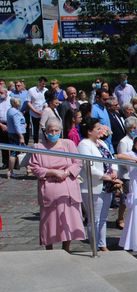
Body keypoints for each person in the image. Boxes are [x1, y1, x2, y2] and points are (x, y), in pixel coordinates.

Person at [28, 118, 85, 251]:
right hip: (49, 188)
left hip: (67, 187)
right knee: (49, 221)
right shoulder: (38, 147)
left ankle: (67, 248)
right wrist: (51, 172)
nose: (53, 133)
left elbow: (77, 162)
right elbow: (34, 167)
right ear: (45, 131)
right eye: (50, 130)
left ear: (60, 131)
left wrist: (66, 172)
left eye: (56, 130)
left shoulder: (68, 144)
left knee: (68, 220)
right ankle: (49, 249)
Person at [77, 117, 122, 251]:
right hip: (94, 185)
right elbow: (88, 166)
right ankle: (94, 245)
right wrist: (105, 176)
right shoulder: (84, 144)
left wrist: (114, 171)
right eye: (97, 128)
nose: (100, 130)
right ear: (90, 131)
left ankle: (103, 244)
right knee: (94, 219)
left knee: (103, 218)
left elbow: (111, 158)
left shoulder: (101, 143)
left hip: (107, 185)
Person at [115, 116, 137, 229]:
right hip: (127, 174)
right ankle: (120, 218)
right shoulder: (124, 142)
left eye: (136, 127)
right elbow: (122, 158)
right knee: (125, 199)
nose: (134, 130)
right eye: (132, 128)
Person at [5, 97, 26, 178]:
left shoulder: (10, 110)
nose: (20, 103)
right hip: (17, 134)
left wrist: (23, 124)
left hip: (11, 132)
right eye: (18, 102)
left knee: (15, 152)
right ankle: (10, 171)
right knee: (16, 152)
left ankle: (11, 171)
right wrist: (21, 136)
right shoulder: (15, 112)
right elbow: (17, 125)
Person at [27, 76, 48, 143]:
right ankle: (36, 144)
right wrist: (36, 111)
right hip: (34, 114)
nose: (44, 85)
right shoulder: (31, 90)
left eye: (45, 84)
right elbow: (28, 102)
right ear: (39, 82)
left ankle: (46, 143)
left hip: (44, 113)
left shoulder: (46, 90)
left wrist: (45, 108)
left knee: (45, 129)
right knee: (35, 130)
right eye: (42, 84)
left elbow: (47, 101)